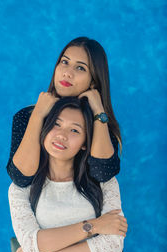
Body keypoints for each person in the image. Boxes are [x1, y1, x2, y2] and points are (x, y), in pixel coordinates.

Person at [8, 97, 129, 252]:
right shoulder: (21, 188)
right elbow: (30, 244)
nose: (62, 135)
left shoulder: (105, 183)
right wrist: (94, 226)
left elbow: (112, 245)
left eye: (75, 130)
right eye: (56, 124)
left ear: (84, 143)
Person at [6, 37, 121, 188]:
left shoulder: (100, 121)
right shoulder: (26, 116)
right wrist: (38, 115)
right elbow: (20, 178)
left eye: (80, 68)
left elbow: (102, 173)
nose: (67, 73)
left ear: (94, 80)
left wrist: (99, 111)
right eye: (64, 62)